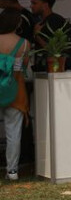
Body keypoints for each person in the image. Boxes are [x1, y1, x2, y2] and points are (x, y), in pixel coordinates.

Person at [0, 10, 30, 181]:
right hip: (15, 90)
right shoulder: (24, 44)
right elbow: (25, 68)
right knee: (13, 132)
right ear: (17, 24)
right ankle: (12, 171)